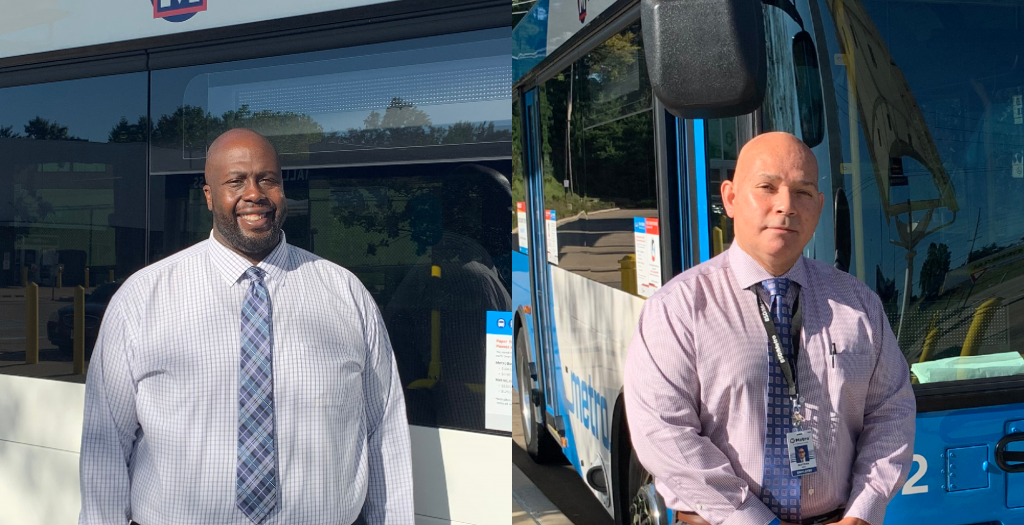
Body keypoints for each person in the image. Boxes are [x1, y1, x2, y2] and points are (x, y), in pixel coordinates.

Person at [79, 128, 413, 525]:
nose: (254, 194)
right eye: (235, 181)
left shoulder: (345, 294)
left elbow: (384, 432)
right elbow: (106, 445)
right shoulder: (143, 298)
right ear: (208, 196)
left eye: (267, 179)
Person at [624, 132, 915, 525]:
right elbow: (663, 433)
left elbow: (892, 411)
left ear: (819, 206)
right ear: (729, 198)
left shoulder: (859, 305)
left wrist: (864, 512)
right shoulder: (677, 310)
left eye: (803, 192)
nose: (786, 206)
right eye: (767, 187)